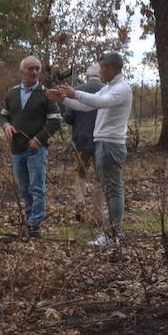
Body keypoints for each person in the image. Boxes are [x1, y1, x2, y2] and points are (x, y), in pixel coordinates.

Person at [49, 52, 132, 247]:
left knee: (113, 190)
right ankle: (112, 234)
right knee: (110, 189)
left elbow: (100, 102)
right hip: (103, 142)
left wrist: (75, 92)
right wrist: (63, 100)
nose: (99, 71)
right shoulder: (110, 87)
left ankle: (113, 235)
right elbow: (87, 106)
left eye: (101, 67)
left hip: (111, 145)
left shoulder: (121, 89)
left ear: (110, 69)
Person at [0, 55, 63, 238]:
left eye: (37, 69)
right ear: (22, 71)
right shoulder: (11, 94)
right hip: (16, 149)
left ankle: (35, 226)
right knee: (23, 188)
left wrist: (39, 139)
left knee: (37, 188)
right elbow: (3, 115)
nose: (34, 72)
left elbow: (55, 122)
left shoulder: (46, 94)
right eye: (30, 68)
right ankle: (28, 222)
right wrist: (6, 125)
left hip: (36, 150)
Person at [63, 63, 105, 226]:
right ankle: (98, 214)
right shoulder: (106, 90)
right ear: (99, 76)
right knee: (100, 177)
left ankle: (80, 204)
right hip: (100, 139)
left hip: (81, 141)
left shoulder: (77, 89)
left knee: (80, 174)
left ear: (87, 77)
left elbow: (69, 118)